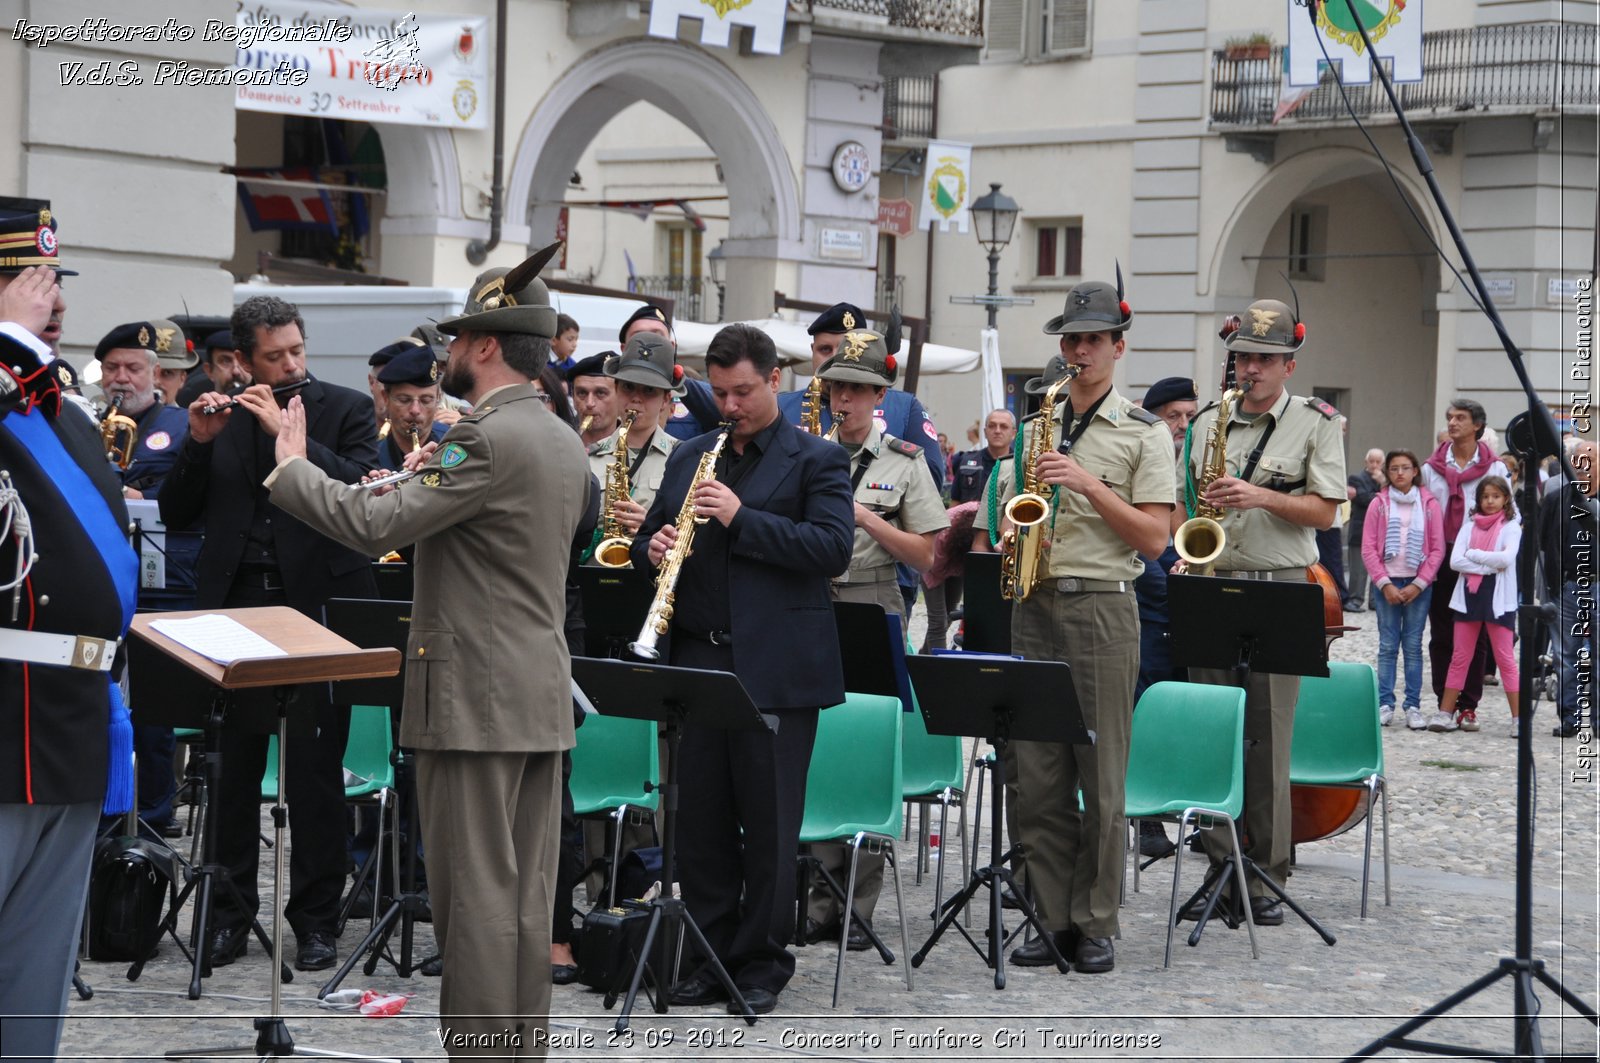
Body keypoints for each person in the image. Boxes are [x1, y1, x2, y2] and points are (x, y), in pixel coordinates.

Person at [268, 249, 588, 1058]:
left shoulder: (479, 438)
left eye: (457, 339)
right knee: (523, 898)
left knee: (476, 899)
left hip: (473, 699)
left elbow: (373, 526)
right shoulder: (556, 436)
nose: (446, 353)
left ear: (485, 345)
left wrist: (291, 467)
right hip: (537, 694)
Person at [633, 323, 853, 1015]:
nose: (730, 405)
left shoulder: (817, 458)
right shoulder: (692, 451)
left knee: (768, 820)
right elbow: (649, 534)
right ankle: (707, 951)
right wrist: (653, 545)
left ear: (774, 381)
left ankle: (761, 960)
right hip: (697, 654)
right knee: (697, 819)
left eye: (744, 392)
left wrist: (740, 515)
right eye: (721, 392)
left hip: (775, 667)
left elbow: (830, 549)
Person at [159, 295, 378, 973]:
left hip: (314, 610)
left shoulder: (345, 409)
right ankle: (226, 914)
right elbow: (177, 510)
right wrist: (196, 443)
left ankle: (315, 921)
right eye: (273, 356)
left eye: (297, 351)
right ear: (242, 359)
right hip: (235, 612)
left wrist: (293, 436)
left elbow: (362, 491)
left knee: (315, 774)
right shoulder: (218, 415)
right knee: (230, 772)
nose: (289, 364)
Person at [973, 278, 1174, 974]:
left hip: (1102, 605)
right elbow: (1006, 512)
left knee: (1102, 773)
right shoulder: (1033, 429)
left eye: (1092, 340)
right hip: (1035, 601)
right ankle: (1051, 916)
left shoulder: (1145, 433)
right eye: (1070, 340)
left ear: (1119, 347)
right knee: (1038, 773)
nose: (1080, 350)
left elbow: (1155, 539)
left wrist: (1089, 485)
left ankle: (1096, 921)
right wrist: (1008, 529)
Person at [0, 241, 138, 1062]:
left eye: (55, 282)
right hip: (5, 708)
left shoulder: (63, 405)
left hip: (78, 705)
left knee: (38, 962)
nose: (51, 298)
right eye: (30, 281)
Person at [1175, 297, 1345, 928]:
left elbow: (1326, 511)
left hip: (1280, 583)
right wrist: (1184, 546)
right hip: (1214, 579)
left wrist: (1259, 496)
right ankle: (1221, 864)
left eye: (1266, 360)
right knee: (1213, 727)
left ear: (1288, 366)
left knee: (1270, 734)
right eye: (1244, 356)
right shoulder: (1205, 422)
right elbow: (1180, 503)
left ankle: (1268, 874)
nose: (1252, 369)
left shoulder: (1316, 422)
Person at [801, 328, 948, 949]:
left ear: (878, 396)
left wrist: (862, 517)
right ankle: (815, 897)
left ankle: (858, 903)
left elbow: (927, 555)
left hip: (872, 599)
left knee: (866, 748)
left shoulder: (905, 462)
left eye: (859, 390)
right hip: (811, 603)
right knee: (814, 745)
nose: (846, 401)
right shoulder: (807, 454)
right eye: (839, 388)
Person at [1132, 375, 1198, 858]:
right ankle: (1147, 817)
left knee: (1189, 717)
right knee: (1146, 712)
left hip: (1193, 603)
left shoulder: (1197, 464)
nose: (1181, 426)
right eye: (1173, 416)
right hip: (1150, 606)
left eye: (1189, 417)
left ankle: (1198, 810)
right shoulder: (1142, 454)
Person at [1421, 399, 1509, 728]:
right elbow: (1426, 513)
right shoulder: (1431, 468)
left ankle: (1469, 705)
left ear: (1477, 426)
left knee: (1476, 632)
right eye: (1449, 417)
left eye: (1460, 418)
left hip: (1478, 555)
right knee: (1442, 629)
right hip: (1442, 554)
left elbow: (1507, 516)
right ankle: (1444, 700)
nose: (1452, 423)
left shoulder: (1494, 469)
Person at [1362, 450, 1445, 729]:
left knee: (1412, 645)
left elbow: (1436, 549)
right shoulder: (1379, 504)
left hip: (1417, 584)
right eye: (1394, 468)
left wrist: (1419, 584)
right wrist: (1383, 582)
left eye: (1405, 468)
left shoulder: (1429, 504)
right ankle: (1385, 702)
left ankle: (1413, 705)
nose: (1400, 473)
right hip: (1387, 582)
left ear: (1415, 471)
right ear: (1387, 472)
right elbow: (1369, 548)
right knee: (1387, 645)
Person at [584, 332, 682, 559]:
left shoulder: (682, 457)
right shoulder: (589, 456)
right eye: (628, 387)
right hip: (596, 574)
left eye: (649, 390)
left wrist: (651, 529)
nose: (636, 399)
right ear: (616, 389)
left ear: (666, 400)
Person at [1436, 477, 1522, 735]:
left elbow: (1506, 559)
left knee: (1506, 659)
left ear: (1505, 499)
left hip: (1499, 601)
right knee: (1460, 657)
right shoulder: (1468, 527)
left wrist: (1474, 555)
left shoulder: (1511, 527)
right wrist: (1487, 565)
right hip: (1468, 598)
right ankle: (1445, 712)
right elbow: (1455, 561)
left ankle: (1518, 718)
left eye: (1495, 496)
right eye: (1485, 497)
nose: (1490, 501)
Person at [92, 320, 191, 501]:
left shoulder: (184, 424)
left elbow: (191, 490)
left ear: (154, 373)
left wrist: (138, 496)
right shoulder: (86, 423)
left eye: (133, 369)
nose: (121, 378)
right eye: (111, 368)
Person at [1541, 439, 1596, 738]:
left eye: (1591, 461)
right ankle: (1569, 718)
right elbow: (1543, 542)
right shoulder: (1556, 499)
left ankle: (1598, 721)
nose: (1584, 467)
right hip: (1568, 586)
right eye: (1578, 461)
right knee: (1565, 657)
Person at [375, 342, 449, 471]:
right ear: (386, 398)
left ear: (438, 397)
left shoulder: (456, 444)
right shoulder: (370, 456)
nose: (415, 410)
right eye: (404, 400)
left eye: (426, 400)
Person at [1345, 448, 1385, 612]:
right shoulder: (1356, 478)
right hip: (1360, 530)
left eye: (1378, 462)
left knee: (1378, 568)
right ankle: (1355, 599)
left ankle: (1375, 601)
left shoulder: (1385, 480)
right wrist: (1382, 494)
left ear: (1382, 464)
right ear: (1366, 462)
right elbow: (1363, 498)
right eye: (1371, 461)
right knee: (1358, 569)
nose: (1374, 465)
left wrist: (1383, 483)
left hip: (1380, 531)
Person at [950, 408, 1017, 504]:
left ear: (1013, 434)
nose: (997, 431)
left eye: (1003, 426)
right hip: (972, 518)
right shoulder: (965, 461)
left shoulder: (1020, 466)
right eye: (992, 426)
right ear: (985, 432)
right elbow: (955, 503)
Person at [567, 352, 619, 449]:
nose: (589, 403)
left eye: (600, 393)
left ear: (620, 398)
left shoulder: (634, 446)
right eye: (582, 393)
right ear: (573, 398)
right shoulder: (560, 443)